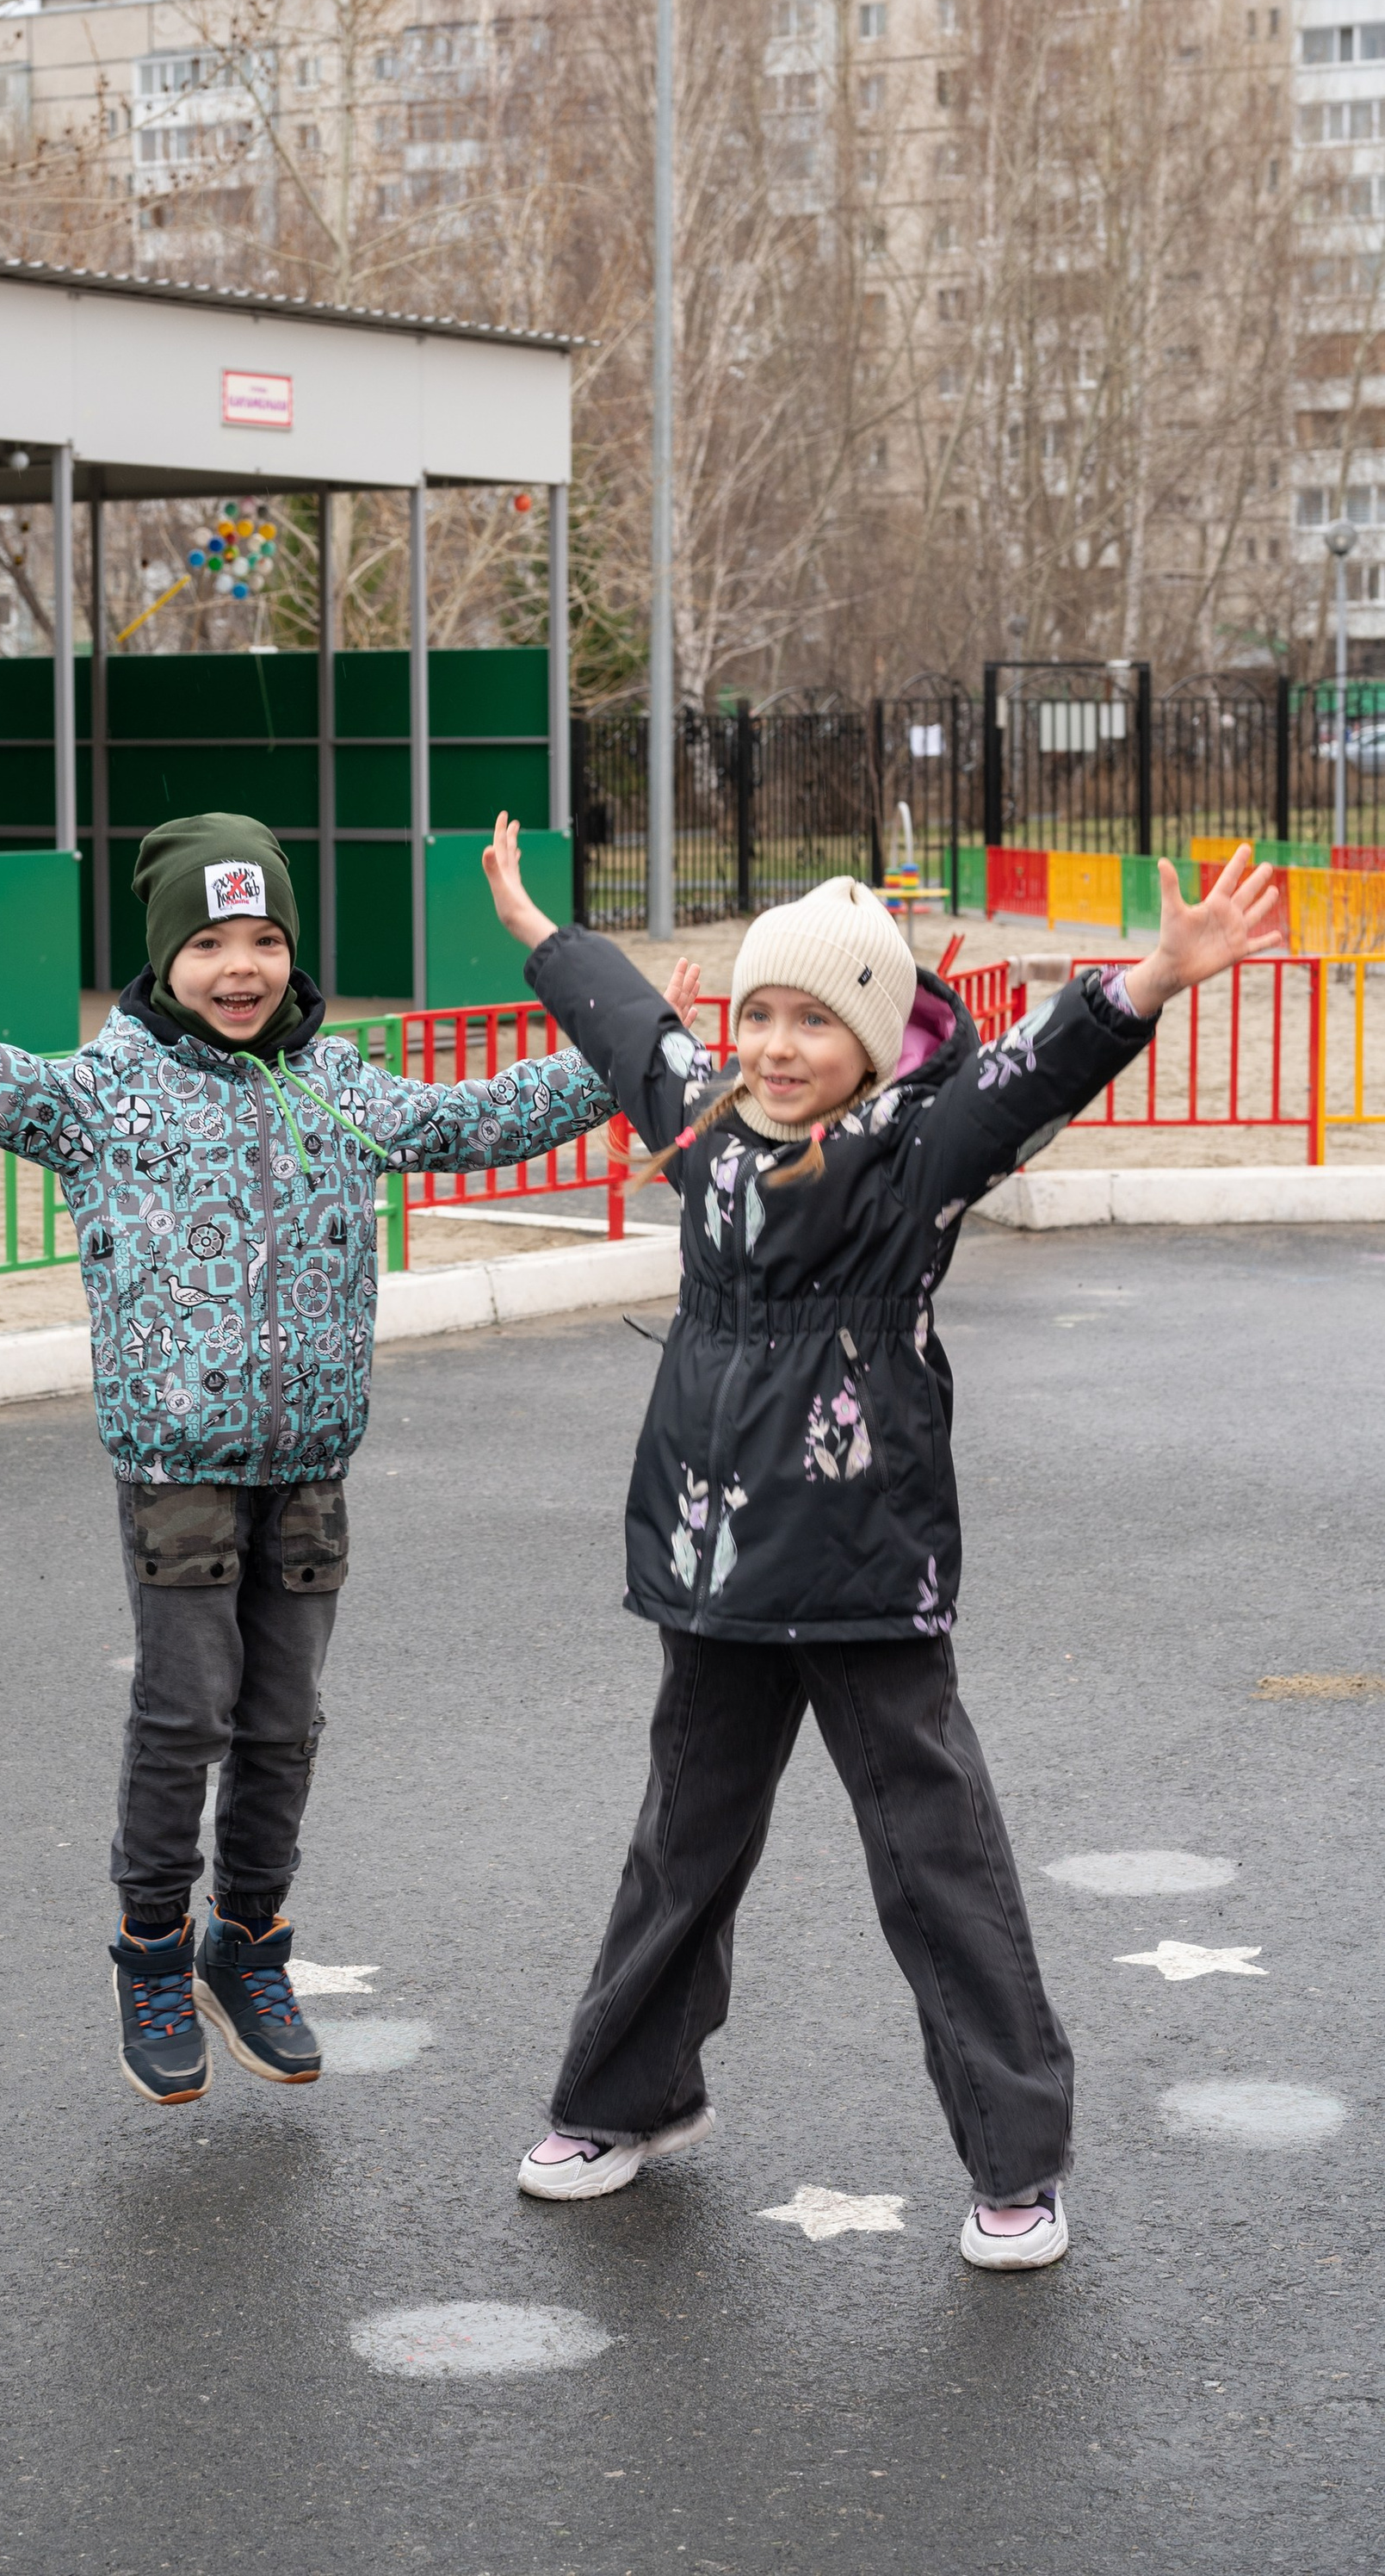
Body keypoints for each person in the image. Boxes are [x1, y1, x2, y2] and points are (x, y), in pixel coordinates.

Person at [479, 818, 1283, 2273]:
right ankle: (625, 2101)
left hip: (864, 1571)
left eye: (814, 1022)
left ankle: (1017, 2163)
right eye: (760, 1016)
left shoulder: (913, 1154)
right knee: (681, 1846)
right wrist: (543, 930)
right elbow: (625, 1025)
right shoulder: (705, 1127)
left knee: (933, 1861)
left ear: (869, 1041)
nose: (776, 1048)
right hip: (715, 1571)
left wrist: (1155, 980)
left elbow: (1037, 1068)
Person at [0, 809, 612, 2107]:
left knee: (284, 1724)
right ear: (163, 956)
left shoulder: (341, 1083)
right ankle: (149, 1952)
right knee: (186, 1714)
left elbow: (486, 1117)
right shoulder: (105, 1091)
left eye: (263, 940)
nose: (239, 967)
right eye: (208, 943)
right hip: (176, 1464)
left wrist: (630, 1041)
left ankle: (246, 1944)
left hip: (310, 1462)